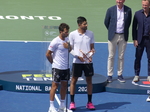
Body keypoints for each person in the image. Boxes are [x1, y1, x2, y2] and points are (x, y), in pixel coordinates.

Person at [69, 16, 95, 110]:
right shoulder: (72, 34)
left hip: (87, 62)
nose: (86, 25)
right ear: (79, 25)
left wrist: (91, 54)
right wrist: (78, 56)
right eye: (84, 24)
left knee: (89, 81)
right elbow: (70, 49)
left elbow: (92, 48)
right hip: (77, 62)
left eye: (86, 23)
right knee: (74, 81)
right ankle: (72, 102)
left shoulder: (90, 34)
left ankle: (89, 102)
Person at [46, 23, 72, 112]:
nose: (67, 33)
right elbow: (48, 54)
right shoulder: (55, 41)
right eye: (66, 32)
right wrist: (53, 63)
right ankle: (51, 107)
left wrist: (68, 46)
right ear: (61, 32)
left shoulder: (67, 40)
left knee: (64, 86)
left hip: (66, 67)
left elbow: (71, 49)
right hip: (57, 68)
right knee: (54, 86)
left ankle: (62, 106)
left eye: (68, 32)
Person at [104, 0, 132, 83]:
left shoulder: (128, 10)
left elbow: (128, 23)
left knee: (121, 56)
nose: (119, 1)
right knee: (111, 56)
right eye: (118, 0)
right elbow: (106, 22)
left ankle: (120, 75)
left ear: (124, 1)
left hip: (123, 36)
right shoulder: (110, 10)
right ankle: (110, 75)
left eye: (121, 0)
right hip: (113, 36)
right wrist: (112, 30)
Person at [131, 0, 150, 102]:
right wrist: (135, 39)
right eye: (143, 5)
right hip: (140, 40)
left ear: (149, 5)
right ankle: (136, 75)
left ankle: (149, 75)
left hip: (149, 40)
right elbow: (134, 27)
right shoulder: (137, 14)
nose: (144, 7)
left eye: (146, 5)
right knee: (137, 58)